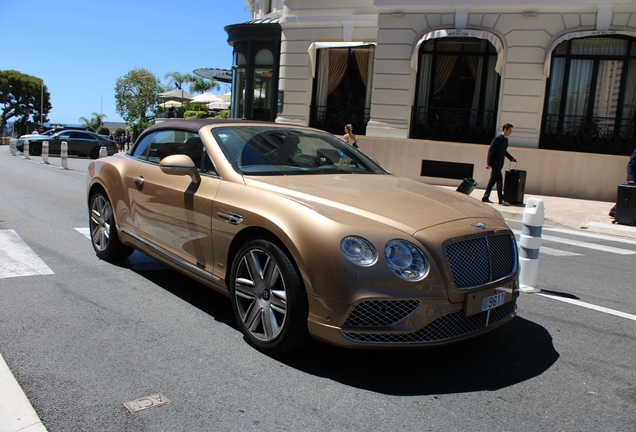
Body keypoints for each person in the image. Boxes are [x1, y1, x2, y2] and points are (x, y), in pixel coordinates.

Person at [482, 123, 517, 206]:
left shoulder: (505, 140)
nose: (510, 132)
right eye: (509, 130)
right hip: (495, 163)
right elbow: (491, 150)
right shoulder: (497, 139)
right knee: (499, 180)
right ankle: (501, 199)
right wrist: (489, 163)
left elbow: (504, 151)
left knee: (492, 181)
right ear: (505, 129)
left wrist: (511, 158)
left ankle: (485, 197)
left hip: (500, 163)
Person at [609, 148, 636, 217]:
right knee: (628, 197)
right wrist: (631, 179)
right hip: (634, 179)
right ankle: (614, 211)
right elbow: (631, 165)